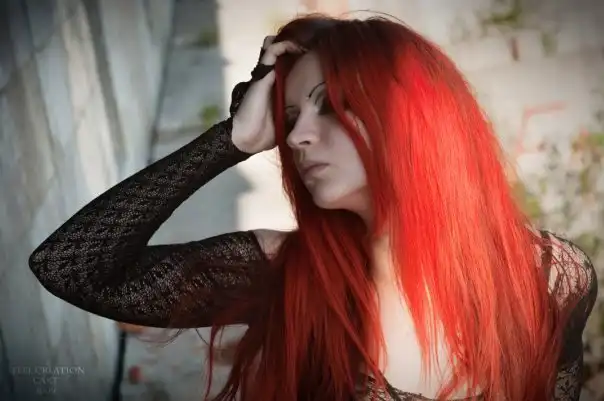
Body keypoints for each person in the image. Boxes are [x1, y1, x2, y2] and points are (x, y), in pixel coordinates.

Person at [28, 14, 597, 401]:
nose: (297, 137)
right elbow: (70, 266)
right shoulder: (289, 273)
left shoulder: (551, 278)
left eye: (328, 106)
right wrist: (230, 141)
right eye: (291, 117)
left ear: (414, 117)